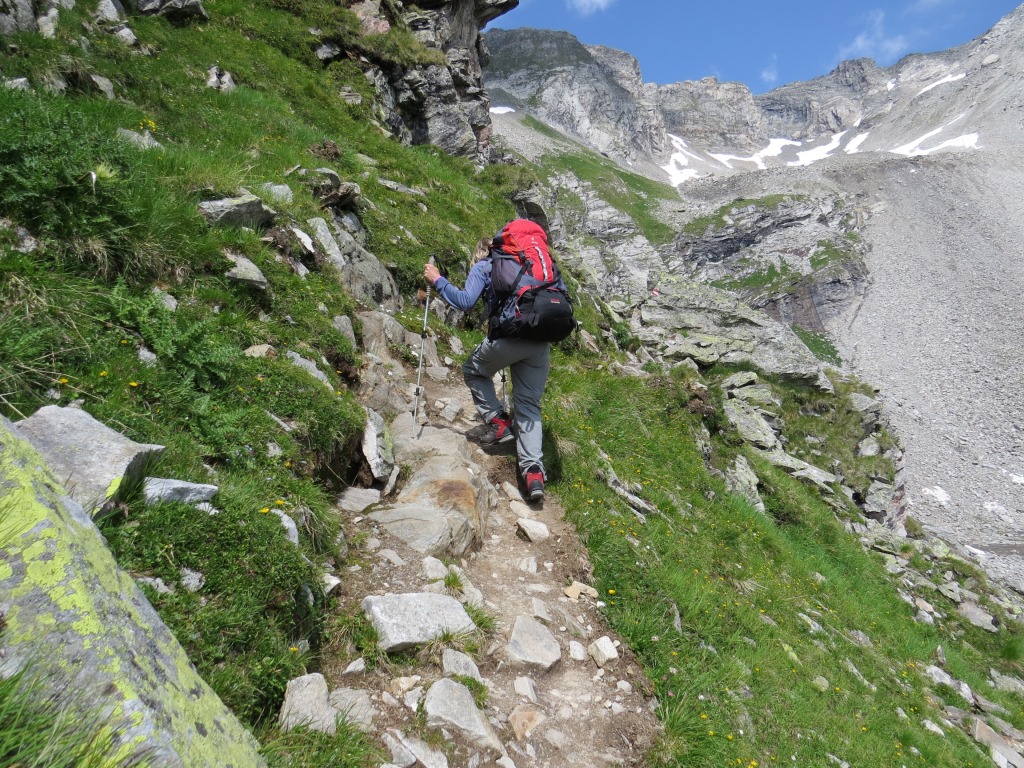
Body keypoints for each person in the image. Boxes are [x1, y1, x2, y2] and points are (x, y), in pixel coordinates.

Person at [424, 236, 550, 501]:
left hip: (507, 339)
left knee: (473, 370)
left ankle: (499, 422)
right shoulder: (528, 267)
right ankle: (534, 474)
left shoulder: (484, 266)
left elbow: (465, 301)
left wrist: (437, 280)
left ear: (481, 252)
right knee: (528, 404)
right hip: (540, 343)